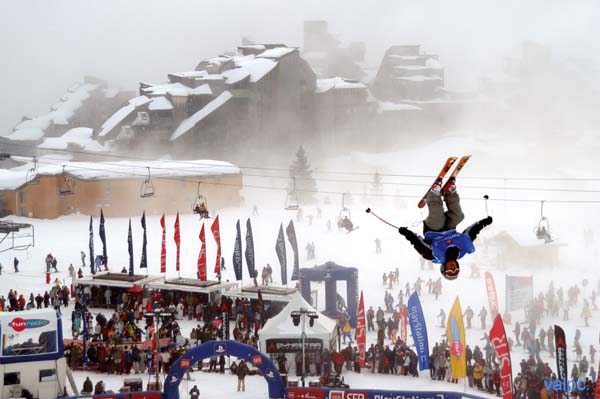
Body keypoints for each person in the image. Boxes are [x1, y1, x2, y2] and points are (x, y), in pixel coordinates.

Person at [398, 177, 492, 280]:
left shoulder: (433, 255)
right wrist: (484, 222)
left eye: (450, 271)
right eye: (456, 270)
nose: (453, 269)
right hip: (449, 228)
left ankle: (433, 194)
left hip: (433, 229)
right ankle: (449, 191)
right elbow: (472, 232)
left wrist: (406, 233)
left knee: (438, 220)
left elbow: (417, 242)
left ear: (443, 268)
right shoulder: (464, 248)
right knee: (458, 216)